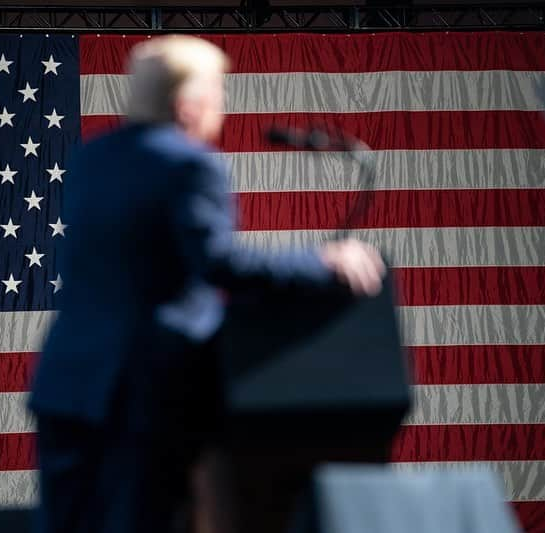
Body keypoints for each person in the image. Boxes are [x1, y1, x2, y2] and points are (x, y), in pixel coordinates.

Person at [28, 35, 386, 533]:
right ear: (188, 104)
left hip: (67, 383)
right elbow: (220, 266)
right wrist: (325, 263)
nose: (222, 104)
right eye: (218, 91)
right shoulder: (190, 163)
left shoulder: (92, 159)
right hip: (142, 393)